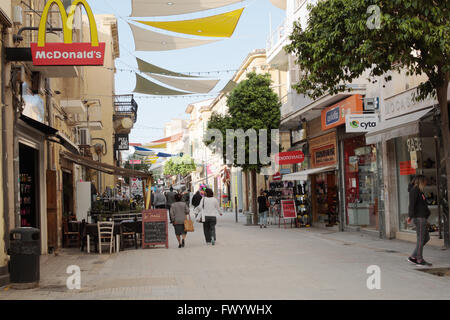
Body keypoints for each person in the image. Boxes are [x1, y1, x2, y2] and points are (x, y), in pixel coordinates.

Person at [407, 175, 432, 266]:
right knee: (421, 239)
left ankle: (413, 257)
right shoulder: (414, 190)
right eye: (425, 181)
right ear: (420, 181)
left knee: (426, 238)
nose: (426, 183)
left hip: (423, 218)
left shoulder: (420, 191)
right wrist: (410, 216)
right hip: (419, 218)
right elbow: (412, 204)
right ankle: (419, 259)